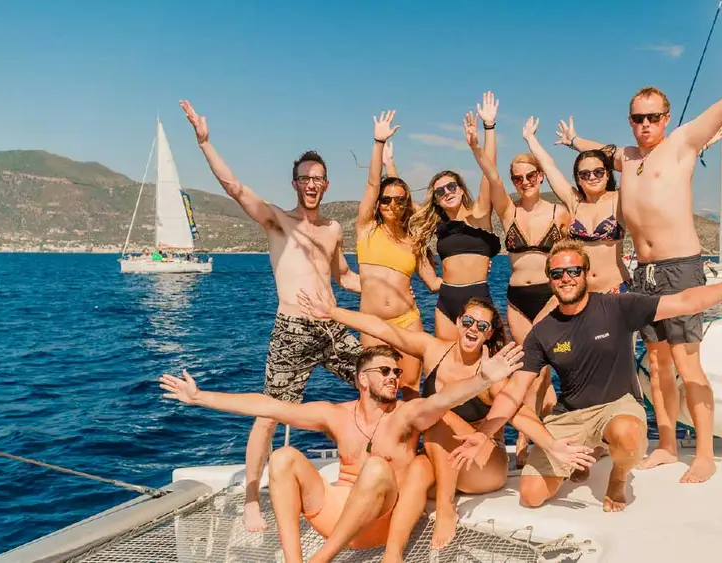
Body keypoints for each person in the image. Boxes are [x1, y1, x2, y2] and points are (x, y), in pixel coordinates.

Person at [554, 12, 722, 483]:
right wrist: (572, 142)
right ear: (630, 121)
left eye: (653, 117)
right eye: (637, 118)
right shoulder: (626, 158)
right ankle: (667, 444)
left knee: (690, 364)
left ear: (666, 119)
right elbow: (600, 150)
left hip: (680, 267)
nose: (645, 124)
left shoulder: (686, 141)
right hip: (643, 273)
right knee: (659, 364)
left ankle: (704, 453)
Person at [448, 240, 722, 512]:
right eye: (557, 274)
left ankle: (618, 475)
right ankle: (587, 450)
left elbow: (684, 301)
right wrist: (486, 433)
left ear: (585, 273)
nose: (565, 278)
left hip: (617, 406)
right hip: (572, 415)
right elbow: (514, 392)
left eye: (573, 271)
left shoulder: (618, 308)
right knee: (531, 497)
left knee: (626, 435)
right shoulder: (542, 332)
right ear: (550, 280)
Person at [159, 344, 525, 563]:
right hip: (333, 512)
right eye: (384, 371)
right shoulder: (336, 415)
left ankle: (321, 560)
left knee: (380, 467)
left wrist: (484, 379)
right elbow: (269, 405)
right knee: (284, 457)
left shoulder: (406, 416)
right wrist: (200, 397)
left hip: (374, 522)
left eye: (397, 371)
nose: (394, 377)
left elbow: (444, 399)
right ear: (362, 379)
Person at [180, 100, 363, 531]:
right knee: (269, 414)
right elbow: (235, 187)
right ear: (295, 183)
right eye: (305, 179)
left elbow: (344, 276)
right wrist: (205, 143)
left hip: (333, 325)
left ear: (327, 183)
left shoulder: (334, 229)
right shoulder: (279, 222)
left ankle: (371, 468)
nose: (312, 185)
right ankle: (250, 498)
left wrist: (391, 285)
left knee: (380, 386)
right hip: (293, 329)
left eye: (318, 179)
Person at [297, 290, 595, 549]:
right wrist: (332, 313)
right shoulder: (433, 350)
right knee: (413, 466)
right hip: (443, 460)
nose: (473, 329)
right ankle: (390, 550)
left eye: (482, 326)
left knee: (436, 415)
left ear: (489, 333)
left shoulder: (489, 372)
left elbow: (517, 412)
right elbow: (386, 330)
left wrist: (553, 446)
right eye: (468, 321)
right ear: (457, 323)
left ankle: (445, 506)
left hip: (482, 465)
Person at [484, 109, 570, 468]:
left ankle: (528, 434)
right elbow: (489, 175)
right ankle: (532, 429)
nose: (525, 182)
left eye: (531, 175)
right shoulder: (508, 213)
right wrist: (487, 131)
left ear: (540, 176)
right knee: (526, 369)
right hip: (517, 298)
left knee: (541, 368)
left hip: (550, 298)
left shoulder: (559, 213)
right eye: (517, 178)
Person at [355, 110, 441, 397]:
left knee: (410, 389)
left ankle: (409, 443)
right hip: (373, 323)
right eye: (386, 199)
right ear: (378, 203)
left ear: (406, 204)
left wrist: (470, 273)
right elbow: (371, 184)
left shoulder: (413, 239)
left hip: (408, 320)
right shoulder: (366, 229)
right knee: (375, 392)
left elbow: (432, 282)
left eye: (400, 200)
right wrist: (378, 144)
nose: (392, 204)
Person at [408, 92, 500, 341]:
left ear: (461, 189)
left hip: (477, 298)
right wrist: (388, 162)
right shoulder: (440, 226)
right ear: (436, 199)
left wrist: (488, 128)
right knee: (446, 369)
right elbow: (403, 202)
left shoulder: (480, 214)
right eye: (440, 191)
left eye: (451, 187)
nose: (447, 192)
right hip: (446, 301)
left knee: (484, 368)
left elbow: (489, 171)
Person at [524, 117, 630, 294]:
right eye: (585, 174)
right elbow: (549, 167)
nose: (592, 177)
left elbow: (626, 161)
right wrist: (530, 139)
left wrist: (575, 142)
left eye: (598, 171)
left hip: (616, 289)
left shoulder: (620, 199)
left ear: (607, 175)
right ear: (578, 179)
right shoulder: (575, 202)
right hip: (581, 293)